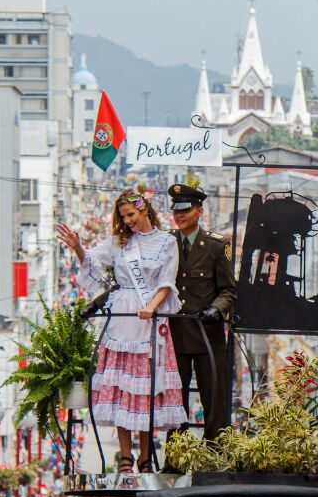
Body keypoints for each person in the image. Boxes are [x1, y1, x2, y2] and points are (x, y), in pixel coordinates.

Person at [56, 186, 187, 473]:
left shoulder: (167, 242)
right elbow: (92, 263)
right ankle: (126, 458)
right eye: (123, 216)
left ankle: (145, 456)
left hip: (148, 319)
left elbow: (167, 283)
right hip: (121, 318)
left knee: (144, 389)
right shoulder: (119, 242)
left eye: (130, 214)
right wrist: (77, 247)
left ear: (145, 210)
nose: (127, 220)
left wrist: (152, 307)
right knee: (119, 388)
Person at [166, 179, 238, 441]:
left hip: (208, 334)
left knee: (213, 399)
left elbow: (229, 290)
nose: (180, 215)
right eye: (176, 210)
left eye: (185, 210)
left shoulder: (217, 245)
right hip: (175, 335)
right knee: (175, 402)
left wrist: (216, 310)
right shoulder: (166, 243)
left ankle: (214, 454)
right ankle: (177, 456)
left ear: (199, 211)